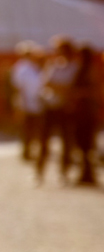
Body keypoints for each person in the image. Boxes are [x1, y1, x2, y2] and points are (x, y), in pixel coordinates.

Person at [36, 37, 80, 184]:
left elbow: (72, 88)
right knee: (43, 141)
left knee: (66, 142)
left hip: (64, 108)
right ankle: (39, 172)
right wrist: (62, 88)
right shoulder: (53, 65)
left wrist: (58, 87)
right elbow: (46, 83)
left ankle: (64, 172)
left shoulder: (74, 67)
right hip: (50, 107)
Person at [70, 45, 102, 185]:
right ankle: (86, 172)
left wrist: (79, 94)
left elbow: (94, 91)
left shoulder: (90, 70)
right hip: (81, 111)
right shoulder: (81, 70)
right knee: (82, 143)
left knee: (86, 144)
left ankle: (88, 173)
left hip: (87, 112)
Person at [10, 40, 44, 161]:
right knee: (26, 130)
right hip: (26, 104)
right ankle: (26, 152)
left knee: (35, 129)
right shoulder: (21, 67)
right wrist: (21, 105)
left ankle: (32, 150)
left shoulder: (35, 67)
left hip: (36, 104)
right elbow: (19, 88)